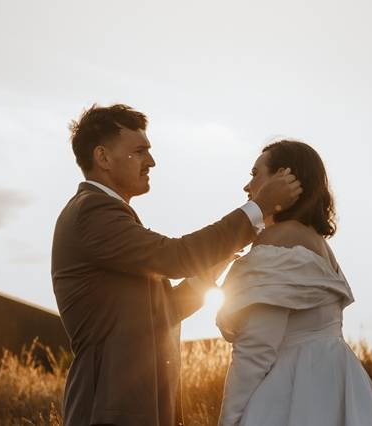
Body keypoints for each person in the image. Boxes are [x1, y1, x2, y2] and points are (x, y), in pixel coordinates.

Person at [51, 104, 302, 426]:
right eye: (140, 151)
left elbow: (163, 312)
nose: (151, 161)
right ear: (103, 157)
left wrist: (213, 266)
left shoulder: (107, 215)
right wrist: (258, 207)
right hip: (109, 406)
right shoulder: (92, 213)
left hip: (139, 405)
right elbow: (175, 257)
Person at [216, 140, 372, 426]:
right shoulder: (320, 245)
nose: (247, 187)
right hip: (338, 385)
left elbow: (256, 349)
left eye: (255, 174)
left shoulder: (278, 242)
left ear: (284, 180)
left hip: (293, 395)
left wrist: (230, 420)